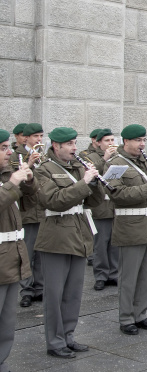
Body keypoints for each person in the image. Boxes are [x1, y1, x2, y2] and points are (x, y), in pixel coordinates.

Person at [35, 127, 104, 358]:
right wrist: (83, 182)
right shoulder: (44, 170)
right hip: (56, 236)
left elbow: (93, 202)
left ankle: (68, 336)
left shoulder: (77, 166)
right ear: (56, 145)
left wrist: (95, 182)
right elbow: (54, 200)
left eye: (75, 143)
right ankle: (55, 342)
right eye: (71, 144)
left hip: (78, 232)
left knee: (73, 292)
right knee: (54, 294)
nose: (75, 148)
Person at [106, 125, 147, 335]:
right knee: (129, 277)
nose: (142, 144)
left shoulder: (146, 162)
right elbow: (117, 193)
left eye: (144, 140)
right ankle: (126, 318)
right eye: (138, 140)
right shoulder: (115, 164)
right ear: (126, 142)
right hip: (130, 228)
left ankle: (141, 314)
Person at [0, 128, 34, 372]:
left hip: (11, 255)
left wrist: (28, 178)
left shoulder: (5, 174)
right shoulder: (7, 179)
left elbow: (31, 199)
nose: (9, 152)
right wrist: (12, 183)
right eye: (2, 148)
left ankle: (1, 365)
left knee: (7, 320)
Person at [83, 128, 119, 291]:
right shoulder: (90, 156)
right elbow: (91, 174)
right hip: (100, 205)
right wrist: (105, 158)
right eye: (107, 141)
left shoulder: (118, 156)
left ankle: (114, 273)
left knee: (115, 242)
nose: (111, 143)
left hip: (115, 205)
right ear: (98, 143)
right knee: (100, 243)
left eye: (112, 140)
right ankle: (101, 275)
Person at [15, 123, 44, 308]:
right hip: (26, 212)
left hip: (42, 210)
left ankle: (40, 288)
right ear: (26, 138)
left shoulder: (44, 155)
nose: (39, 140)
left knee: (41, 252)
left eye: (41, 136)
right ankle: (26, 290)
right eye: (35, 137)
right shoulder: (16, 156)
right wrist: (30, 163)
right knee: (27, 253)